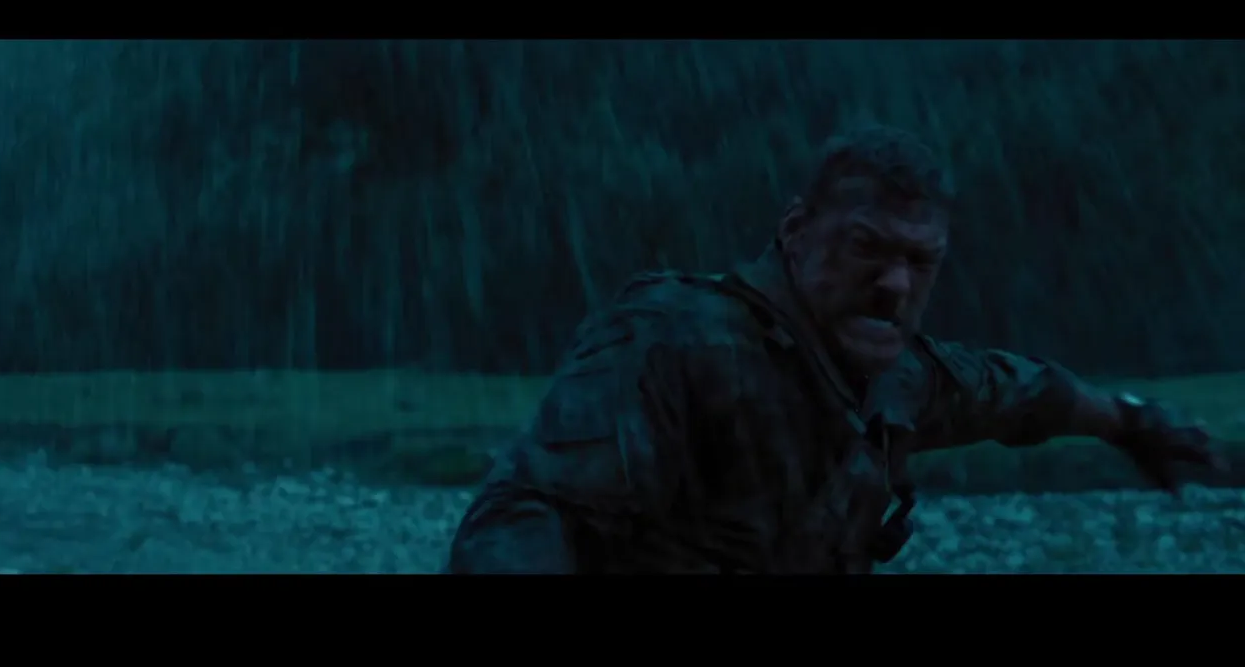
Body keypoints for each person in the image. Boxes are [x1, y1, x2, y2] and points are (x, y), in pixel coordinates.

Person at [447, 125, 1222, 574]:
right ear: (796, 232)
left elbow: (1020, 392)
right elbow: (528, 511)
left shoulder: (899, 378)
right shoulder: (673, 338)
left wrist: (1133, 421)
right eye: (867, 247)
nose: (894, 284)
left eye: (920, 262)